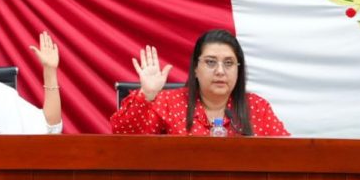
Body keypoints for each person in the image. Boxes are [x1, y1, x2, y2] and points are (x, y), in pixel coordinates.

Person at [109, 29, 289, 136]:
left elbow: (288, 154)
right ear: (195, 68)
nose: (220, 71)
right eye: (211, 62)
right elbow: (123, 138)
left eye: (228, 63)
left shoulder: (257, 108)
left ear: (238, 69)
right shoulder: (167, 104)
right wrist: (146, 96)